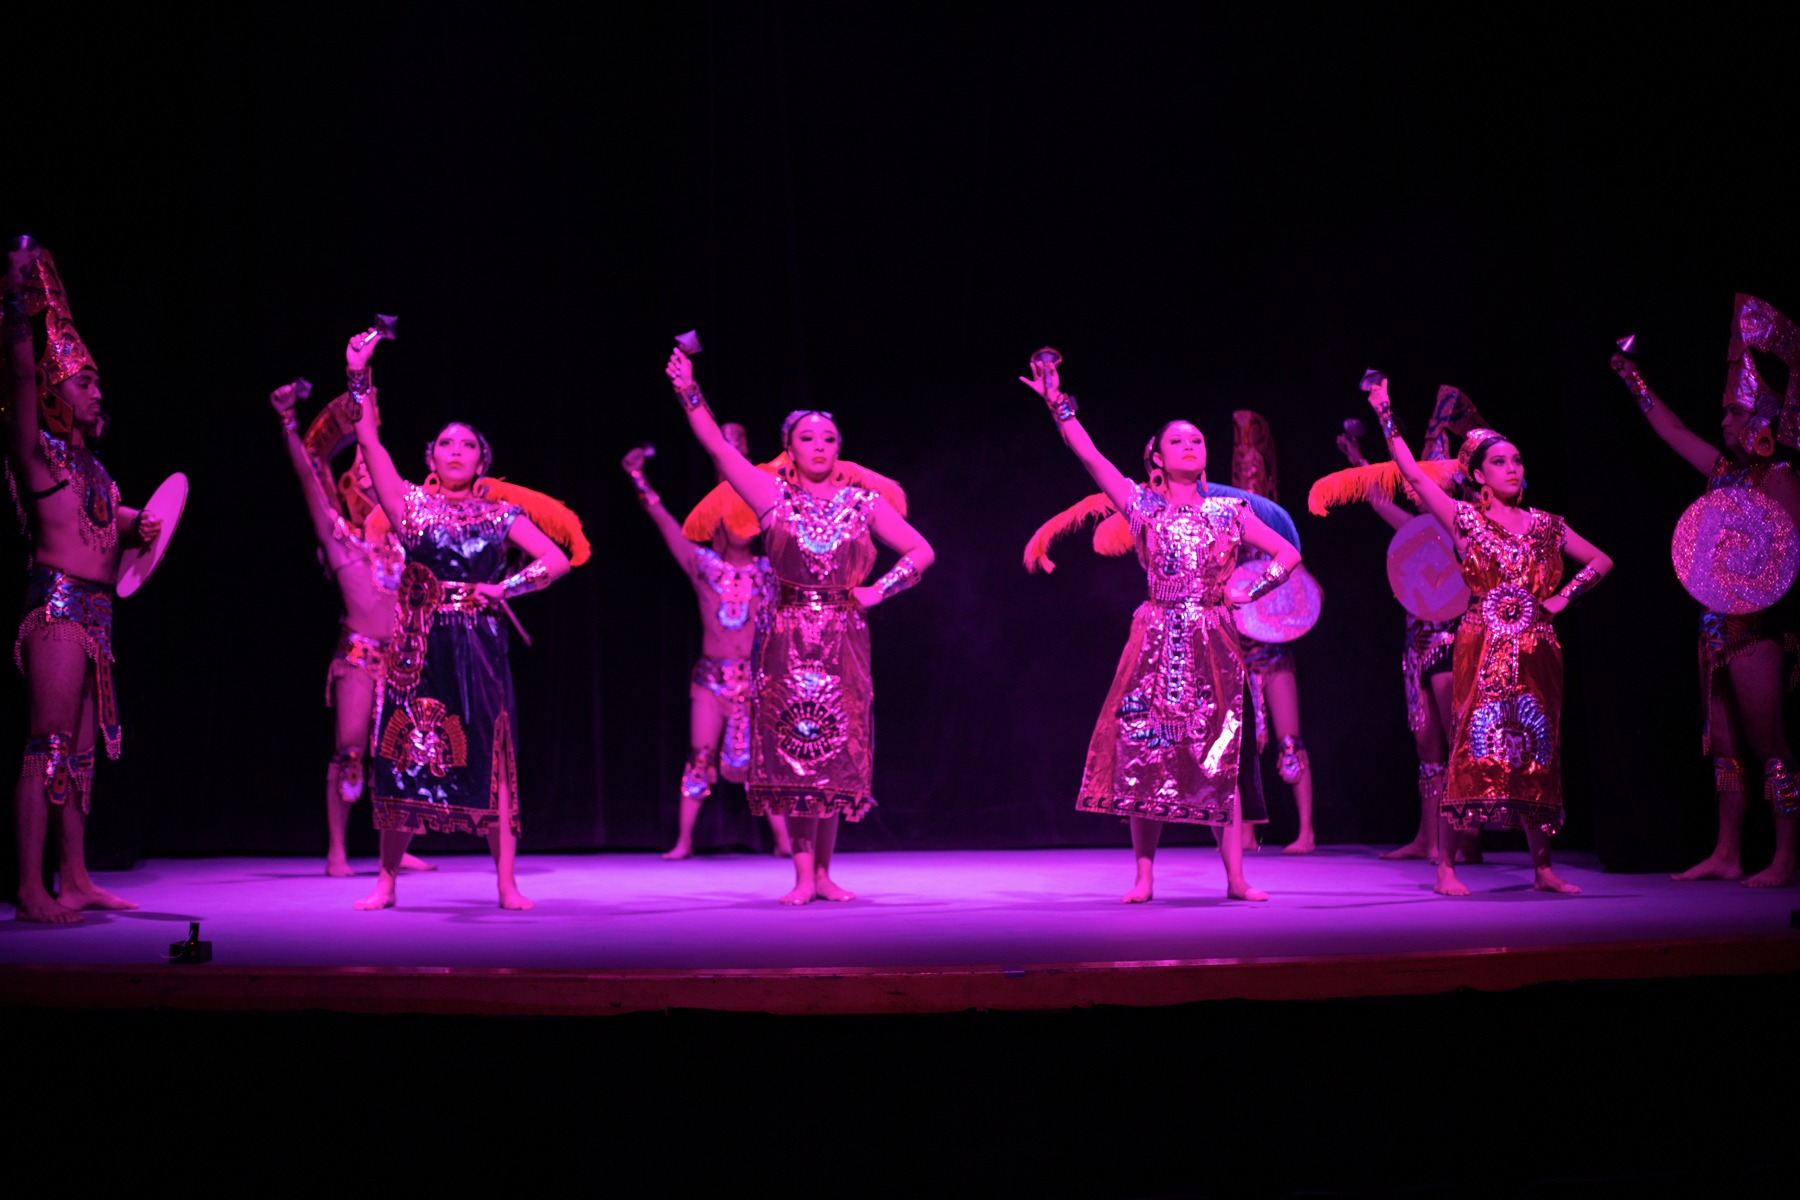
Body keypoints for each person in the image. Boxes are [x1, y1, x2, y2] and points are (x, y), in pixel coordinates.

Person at [1021, 352, 1301, 903]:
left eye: (1197, 440)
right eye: (1177, 441)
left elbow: (1287, 553)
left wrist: (1251, 587)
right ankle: (1144, 875)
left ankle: (1237, 878)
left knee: (1221, 752)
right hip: (1154, 639)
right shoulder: (1141, 505)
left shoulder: (1230, 510)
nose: (1191, 446)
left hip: (1214, 639)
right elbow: (1090, 457)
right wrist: (1059, 404)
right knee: (1144, 751)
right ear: (1155, 456)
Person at [666, 344, 933, 904]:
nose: (819, 446)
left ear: (840, 449)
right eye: (807, 438)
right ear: (788, 448)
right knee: (793, 745)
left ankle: (826, 874)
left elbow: (921, 551)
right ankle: (802, 876)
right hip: (785, 634)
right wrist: (690, 390)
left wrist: (877, 590)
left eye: (829, 438)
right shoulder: (771, 494)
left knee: (834, 746)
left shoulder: (862, 502)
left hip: (843, 634)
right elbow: (714, 442)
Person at [347, 327, 582, 910]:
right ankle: (387, 880)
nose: (456, 452)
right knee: (404, 752)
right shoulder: (409, 505)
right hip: (419, 645)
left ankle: (506, 883)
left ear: (483, 460)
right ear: (430, 458)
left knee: (493, 755)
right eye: (445, 445)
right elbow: (370, 442)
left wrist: (504, 586)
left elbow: (556, 559)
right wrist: (358, 374)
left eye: (467, 446)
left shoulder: (501, 513)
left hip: (478, 644)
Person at [1366, 378, 1611, 897]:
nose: (1514, 468)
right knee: (1468, 747)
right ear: (1477, 474)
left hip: (1538, 646)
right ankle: (1446, 869)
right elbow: (1410, 472)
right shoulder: (1466, 521)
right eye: (1500, 462)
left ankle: (1542, 868)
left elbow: (1601, 561)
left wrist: (1564, 597)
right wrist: (1386, 412)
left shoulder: (1547, 525)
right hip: (1480, 642)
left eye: (1518, 459)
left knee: (1539, 747)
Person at [1612, 296, 1800, 887]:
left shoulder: (1784, 478)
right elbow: (1671, 431)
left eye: (1732, 414)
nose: (1721, 424)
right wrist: (1631, 376)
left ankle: (1786, 857)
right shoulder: (1724, 472)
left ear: (1761, 421)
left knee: (1770, 741)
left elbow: (1786, 554)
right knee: (1723, 747)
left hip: (1756, 627)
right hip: (1714, 624)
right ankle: (1726, 852)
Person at [4, 243, 161, 922]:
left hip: (98, 615)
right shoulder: (39, 456)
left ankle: (75, 877)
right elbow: (14, 381)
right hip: (60, 608)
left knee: (81, 760)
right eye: (86, 382)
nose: (100, 391)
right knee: (48, 743)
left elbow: (110, 523)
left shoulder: (95, 471)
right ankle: (32, 886)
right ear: (52, 388)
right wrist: (15, 310)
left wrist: (142, 527)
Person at [1312, 387, 1488, 865]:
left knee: (1457, 738)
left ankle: (1465, 835)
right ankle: (1427, 836)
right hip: (1418, 637)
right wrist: (1360, 461)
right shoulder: (1421, 529)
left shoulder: (1471, 522)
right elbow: (1380, 499)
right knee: (1425, 741)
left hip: (1457, 635)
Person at [270, 377, 433, 877]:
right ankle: (337, 849)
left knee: (405, 753)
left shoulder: (407, 537)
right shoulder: (341, 539)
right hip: (360, 654)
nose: (368, 470)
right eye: (359, 467)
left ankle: (395, 847)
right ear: (346, 482)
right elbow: (306, 479)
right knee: (349, 748)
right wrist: (287, 422)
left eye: (374, 467)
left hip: (405, 656)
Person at [621, 433, 790, 859]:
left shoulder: (771, 571)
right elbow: (663, 521)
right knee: (699, 757)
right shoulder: (703, 566)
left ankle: (786, 842)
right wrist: (638, 477)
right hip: (710, 680)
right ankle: (683, 842)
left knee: (764, 764)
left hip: (754, 680)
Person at [1226, 409, 1316, 853]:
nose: (1248, 476)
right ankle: (1244, 830)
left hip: (1275, 644)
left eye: (1254, 469)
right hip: (1235, 645)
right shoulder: (1223, 520)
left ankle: (1305, 831)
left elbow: (1299, 583)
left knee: (1288, 736)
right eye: (1241, 469)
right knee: (1241, 742)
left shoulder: (1277, 523)